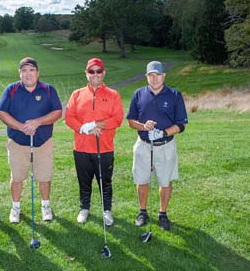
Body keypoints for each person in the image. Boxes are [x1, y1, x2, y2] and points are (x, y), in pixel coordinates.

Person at [0, 57, 62, 223]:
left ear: (37, 73)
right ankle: (16, 207)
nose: (28, 74)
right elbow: (2, 113)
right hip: (18, 143)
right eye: (24, 70)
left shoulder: (48, 90)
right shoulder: (11, 90)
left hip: (43, 143)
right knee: (17, 177)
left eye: (31, 70)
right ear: (20, 73)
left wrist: (37, 122)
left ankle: (45, 206)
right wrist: (21, 127)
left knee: (44, 177)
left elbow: (57, 112)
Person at [127, 61, 188, 231]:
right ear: (146, 77)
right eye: (151, 75)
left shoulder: (174, 95)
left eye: (157, 75)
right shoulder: (138, 94)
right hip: (144, 144)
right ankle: (143, 212)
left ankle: (162, 214)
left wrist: (163, 132)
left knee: (165, 181)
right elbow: (131, 122)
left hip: (166, 145)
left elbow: (181, 124)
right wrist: (143, 126)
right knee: (141, 179)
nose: (154, 79)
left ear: (164, 76)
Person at [65, 58, 124, 226]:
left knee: (105, 182)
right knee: (84, 182)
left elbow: (118, 118)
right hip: (82, 148)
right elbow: (69, 117)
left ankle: (107, 211)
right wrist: (85, 128)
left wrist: (99, 125)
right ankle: (84, 208)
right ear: (86, 74)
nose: (95, 74)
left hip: (104, 148)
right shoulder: (77, 94)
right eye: (92, 71)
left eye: (99, 71)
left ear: (104, 73)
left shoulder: (113, 94)